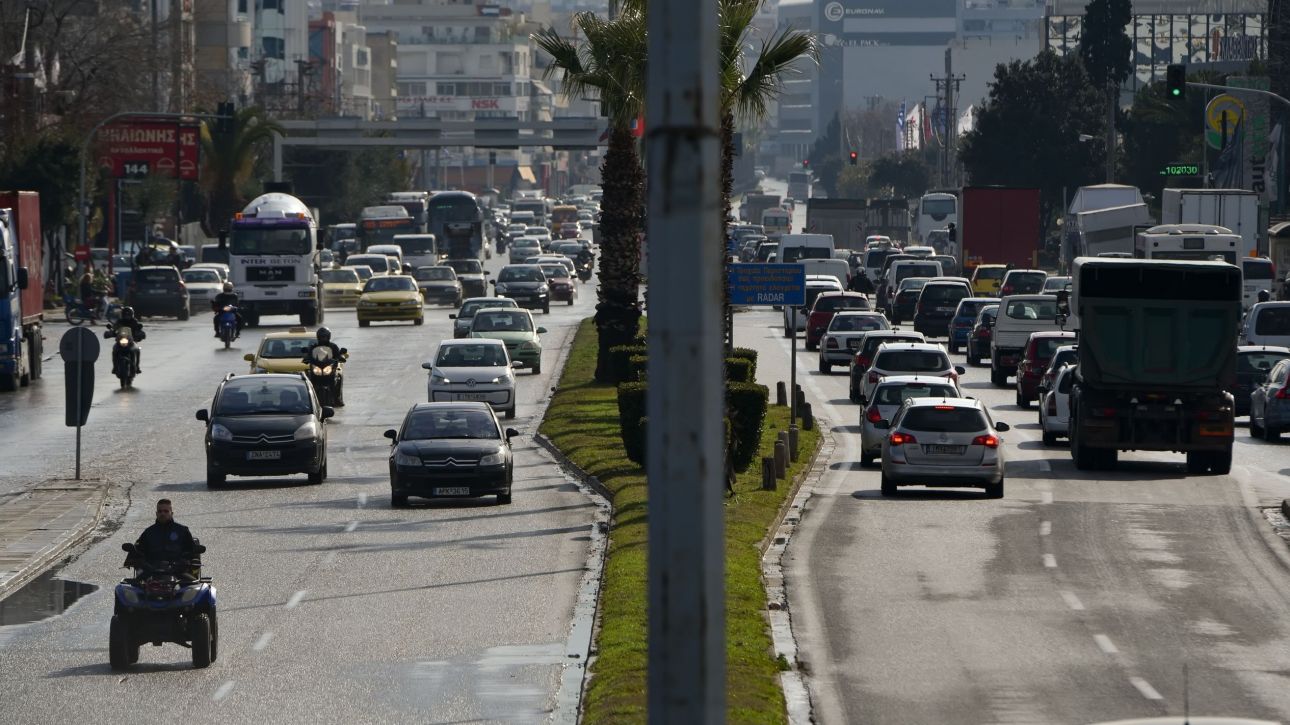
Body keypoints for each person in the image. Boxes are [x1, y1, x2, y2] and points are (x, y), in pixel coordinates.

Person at [128, 499, 197, 578]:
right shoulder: (148, 532)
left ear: (172, 513)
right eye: (160, 511)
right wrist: (139, 560)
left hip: (177, 572)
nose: (162, 513)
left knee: (195, 588)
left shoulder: (182, 531)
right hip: (151, 572)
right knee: (128, 588)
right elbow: (139, 552)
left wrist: (183, 562)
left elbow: (191, 551)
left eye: (166, 511)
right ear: (156, 513)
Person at [302, 326, 346, 406]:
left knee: (338, 376)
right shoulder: (313, 347)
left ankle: (337, 398)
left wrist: (340, 357)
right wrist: (306, 358)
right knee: (307, 377)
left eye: (325, 337)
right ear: (318, 337)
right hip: (317, 369)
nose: (323, 338)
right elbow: (309, 355)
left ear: (328, 336)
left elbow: (338, 355)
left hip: (329, 369)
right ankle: (308, 399)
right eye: (321, 337)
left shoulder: (333, 346)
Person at [111, 306, 145, 373]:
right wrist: (110, 332)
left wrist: (140, 334)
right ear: (123, 315)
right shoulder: (119, 321)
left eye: (128, 315)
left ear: (131, 314)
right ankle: (115, 367)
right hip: (120, 340)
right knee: (114, 350)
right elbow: (114, 328)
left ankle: (137, 367)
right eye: (125, 315)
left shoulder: (134, 321)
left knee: (137, 350)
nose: (127, 316)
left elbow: (138, 329)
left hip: (131, 341)